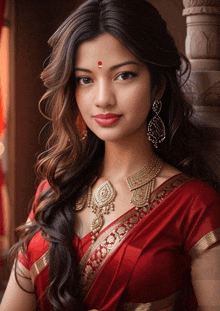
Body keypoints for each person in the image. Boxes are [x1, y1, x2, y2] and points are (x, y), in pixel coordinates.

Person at [1, 0, 220, 310]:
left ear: (157, 85)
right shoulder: (53, 192)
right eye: (85, 79)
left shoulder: (195, 205)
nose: (103, 99)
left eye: (124, 75)